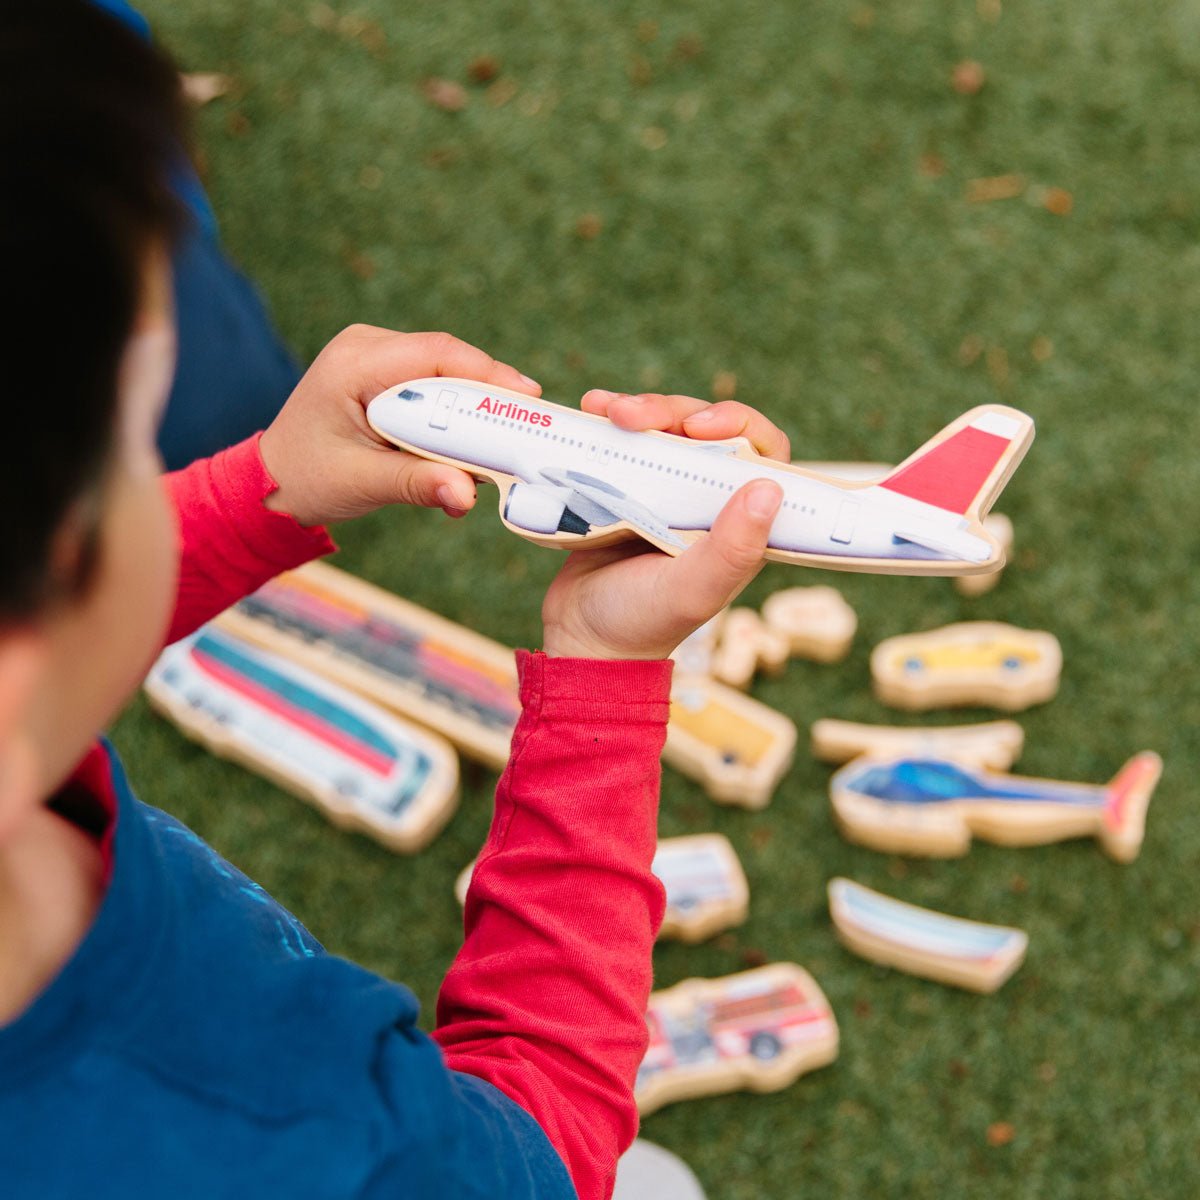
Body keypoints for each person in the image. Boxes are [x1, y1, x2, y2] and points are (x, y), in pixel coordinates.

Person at [0, 5, 788, 1199]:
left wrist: (263, 487)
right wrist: (602, 674)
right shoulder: (316, 1138)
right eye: (128, 444)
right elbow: (543, 1135)